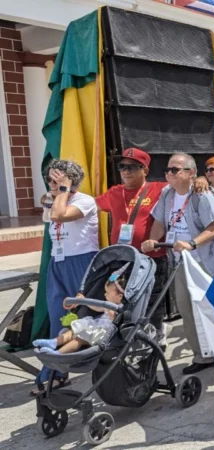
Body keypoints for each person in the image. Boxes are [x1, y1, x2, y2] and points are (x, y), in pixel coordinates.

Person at [142, 152, 214, 375]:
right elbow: (160, 221)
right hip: (181, 263)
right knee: (187, 310)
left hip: (204, 263)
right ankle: (202, 356)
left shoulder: (201, 195)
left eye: (175, 169)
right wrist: (153, 240)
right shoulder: (167, 194)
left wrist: (192, 243)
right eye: (167, 169)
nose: (169, 173)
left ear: (190, 173)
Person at [32, 159, 99, 395]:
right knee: (57, 317)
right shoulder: (55, 199)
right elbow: (50, 214)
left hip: (81, 260)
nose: (51, 183)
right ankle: (55, 373)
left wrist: (62, 190)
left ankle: (100, 361)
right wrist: (57, 193)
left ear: (70, 180)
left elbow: (59, 215)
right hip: (58, 261)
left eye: (57, 179)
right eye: (49, 179)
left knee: (87, 315)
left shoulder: (85, 201)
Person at [95, 148, 171, 348]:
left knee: (153, 300)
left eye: (132, 167)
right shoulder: (114, 192)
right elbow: (87, 205)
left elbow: (183, 187)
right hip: (123, 258)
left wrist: (200, 180)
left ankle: (156, 337)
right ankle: (129, 338)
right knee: (124, 299)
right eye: (122, 166)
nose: (126, 171)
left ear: (144, 170)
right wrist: (59, 195)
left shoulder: (159, 189)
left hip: (151, 258)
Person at [34, 264, 129, 354]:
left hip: (105, 332)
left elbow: (116, 321)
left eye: (107, 293)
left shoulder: (121, 308)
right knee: (74, 329)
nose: (104, 294)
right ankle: (54, 342)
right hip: (96, 325)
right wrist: (85, 301)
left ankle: (59, 353)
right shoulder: (108, 304)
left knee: (79, 338)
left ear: (120, 296)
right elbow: (98, 308)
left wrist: (111, 311)